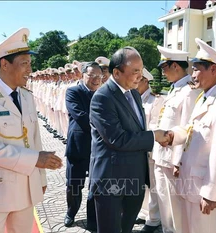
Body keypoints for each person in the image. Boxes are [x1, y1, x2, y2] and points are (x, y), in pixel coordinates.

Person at [0, 28, 62, 233]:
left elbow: (34, 140)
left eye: (30, 64)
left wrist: (39, 179)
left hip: (25, 189)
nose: (29, 70)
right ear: (5, 64)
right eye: (24, 63)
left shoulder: (27, 96)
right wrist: (36, 159)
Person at [166, 38, 216, 233]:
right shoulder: (205, 97)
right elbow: (191, 131)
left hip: (203, 189)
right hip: (189, 182)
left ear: (213, 70)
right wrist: (170, 137)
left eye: (197, 69)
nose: (192, 74)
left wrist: (212, 194)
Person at [89, 46, 170, 233]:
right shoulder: (102, 97)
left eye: (141, 71)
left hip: (134, 179)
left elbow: (136, 128)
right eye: (135, 71)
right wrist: (154, 136)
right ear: (116, 72)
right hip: (111, 180)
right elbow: (117, 139)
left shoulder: (133, 93)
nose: (140, 76)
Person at [153, 45, 200, 233]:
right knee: (165, 204)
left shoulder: (189, 91)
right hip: (161, 156)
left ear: (175, 67)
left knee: (176, 208)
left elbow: (187, 128)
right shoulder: (174, 89)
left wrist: (178, 161)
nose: (163, 73)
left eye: (165, 68)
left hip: (173, 160)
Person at [63, 62, 102, 230]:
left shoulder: (102, 93)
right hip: (78, 146)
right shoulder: (73, 92)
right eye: (91, 75)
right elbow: (80, 117)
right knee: (74, 184)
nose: (95, 79)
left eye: (98, 76)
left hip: (98, 148)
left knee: (95, 186)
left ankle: (92, 220)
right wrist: (105, 129)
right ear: (82, 75)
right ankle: (71, 212)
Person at [136, 68, 164, 232]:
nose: (135, 82)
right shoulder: (134, 99)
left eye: (138, 79)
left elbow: (156, 125)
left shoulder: (156, 100)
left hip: (150, 148)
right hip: (138, 148)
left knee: (153, 183)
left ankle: (154, 219)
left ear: (146, 81)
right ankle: (144, 211)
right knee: (142, 183)